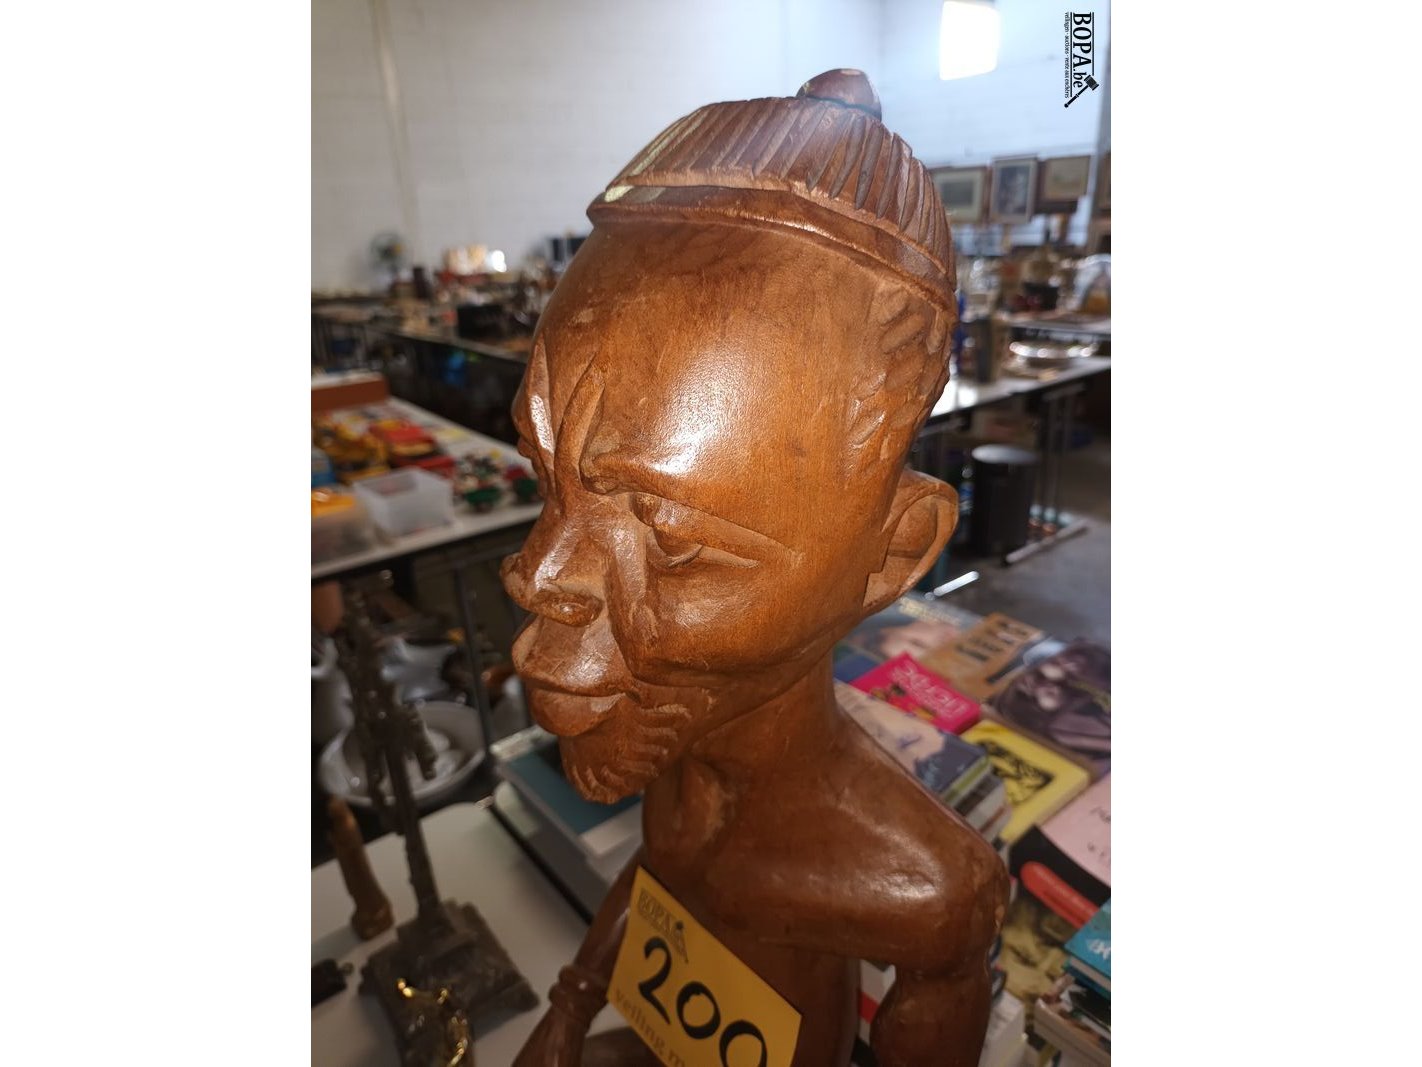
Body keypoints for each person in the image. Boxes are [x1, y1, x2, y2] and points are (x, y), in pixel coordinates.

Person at [501, 70, 1007, 1067]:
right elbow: (661, 878)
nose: (537, 573)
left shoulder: (926, 891)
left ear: (893, 551)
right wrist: (571, 1005)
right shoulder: (682, 746)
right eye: (546, 481)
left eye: (674, 539)